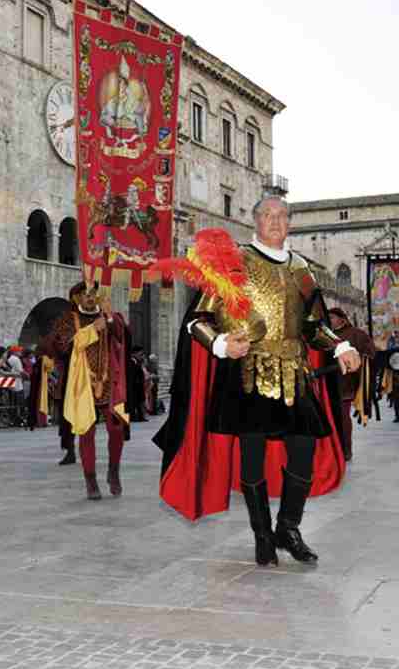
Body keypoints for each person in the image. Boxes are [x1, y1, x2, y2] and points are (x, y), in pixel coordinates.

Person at [154, 201, 360, 566]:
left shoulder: (301, 268)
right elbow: (198, 318)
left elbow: (313, 325)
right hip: (248, 373)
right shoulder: (235, 261)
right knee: (251, 457)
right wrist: (220, 343)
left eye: (282, 216)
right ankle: (262, 534)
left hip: (294, 373)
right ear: (256, 221)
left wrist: (340, 344)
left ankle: (288, 528)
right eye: (268, 215)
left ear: (290, 224)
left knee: (304, 452)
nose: (275, 222)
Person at [40, 282, 130, 500]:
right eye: (85, 294)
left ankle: (113, 471)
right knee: (86, 432)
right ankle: (90, 480)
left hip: (110, 383)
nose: (90, 298)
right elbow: (61, 346)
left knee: (116, 429)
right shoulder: (67, 320)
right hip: (82, 385)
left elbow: (123, 335)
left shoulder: (110, 316)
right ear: (77, 298)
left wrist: (109, 318)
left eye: (93, 294)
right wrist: (92, 330)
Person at [328, 307, 374, 460]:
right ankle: (333, 450)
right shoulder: (327, 335)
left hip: (345, 382)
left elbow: (370, 352)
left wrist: (356, 359)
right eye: (329, 318)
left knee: (343, 417)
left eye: (333, 317)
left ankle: (346, 449)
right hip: (327, 381)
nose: (331, 321)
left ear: (342, 319)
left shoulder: (356, 334)